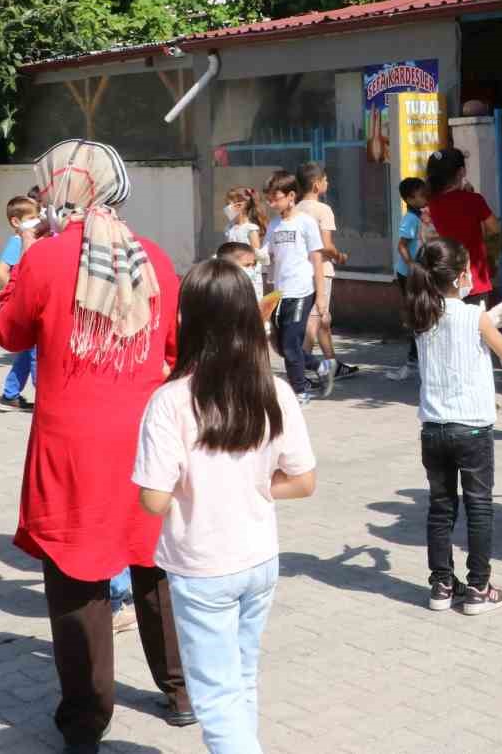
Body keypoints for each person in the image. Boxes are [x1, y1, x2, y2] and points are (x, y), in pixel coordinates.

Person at [0, 139, 193, 751]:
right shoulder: (154, 258)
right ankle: (181, 691)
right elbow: (173, 351)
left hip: (71, 444)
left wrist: (23, 260)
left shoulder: (46, 257)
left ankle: (86, 718)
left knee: (77, 579)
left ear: (56, 189)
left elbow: (9, 333)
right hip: (144, 438)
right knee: (154, 564)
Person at [134, 258, 317, 751]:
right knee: (241, 678)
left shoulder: (171, 400)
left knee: (214, 696)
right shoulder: (275, 390)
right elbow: (303, 481)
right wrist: (255, 487)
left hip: (201, 567)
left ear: (187, 320)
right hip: (259, 558)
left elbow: (152, 500)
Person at [406, 238, 502, 615]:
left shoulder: (422, 313)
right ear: (459, 276)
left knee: (440, 508)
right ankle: (478, 588)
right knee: (479, 507)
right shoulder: (474, 316)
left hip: (434, 428)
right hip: (472, 426)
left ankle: (441, 585)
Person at [264, 172, 328, 404]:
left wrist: (320, 296)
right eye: (268, 198)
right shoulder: (273, 225)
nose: (271, 203)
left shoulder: (306, 223)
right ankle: (320, 365)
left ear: (291, 196)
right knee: (282, 347)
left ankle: (299, 392)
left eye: (275, 197)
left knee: (291, 345)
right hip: (279, 293)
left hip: (301, 291)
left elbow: (317, 259)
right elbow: (265, 254)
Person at [296, 162, 355, 389]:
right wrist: (339, 255)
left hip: (302, 270)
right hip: (322, 271)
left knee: (321, 320)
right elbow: (326, 245)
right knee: (314, 322)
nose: (328, 183)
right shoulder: (323, 210)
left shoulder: (296, 209)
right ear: (316, 184)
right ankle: (299, 372)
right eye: (326, 180)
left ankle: (332, 364)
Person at [426, 147, 499, 306]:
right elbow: (495, 228)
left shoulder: (432, 204)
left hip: (445, 280)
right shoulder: (474, 200)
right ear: (461, 172)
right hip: (474, 280)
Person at [0, 194, 44, 414]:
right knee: (35, 353)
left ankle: (10, 395)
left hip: (29, 305)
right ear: (16, 221)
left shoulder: (33, 239)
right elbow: (0, 272)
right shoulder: (17, 242)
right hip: (26, 308)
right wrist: (17, 295)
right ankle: (44, 396)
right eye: (32, 217)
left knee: (26, 352)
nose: (37, 220)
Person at [387, 178, 429, 382]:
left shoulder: (423, 214)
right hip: (409, 276)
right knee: (417, 317)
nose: (426, 196)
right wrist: (412, 265)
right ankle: (413, 362)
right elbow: (401, 246)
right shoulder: (410, 219)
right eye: (422, 194)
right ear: (410, 199)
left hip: (419, 274)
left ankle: (417, 360)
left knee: (421, 316)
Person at [223, 187, 269, 300]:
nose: (227, 208)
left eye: (229, 204)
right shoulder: (229, 228)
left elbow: (255, 255)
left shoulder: (250, 228)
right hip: (233, 276)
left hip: (249, 278)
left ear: (240, 205)